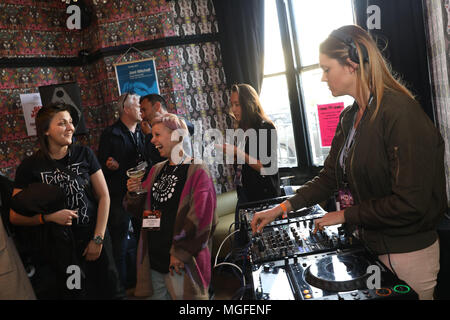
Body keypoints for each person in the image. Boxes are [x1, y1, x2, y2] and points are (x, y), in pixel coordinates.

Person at [251, 25, 447, 300]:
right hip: (368, 246)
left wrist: (344, 215)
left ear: (352, 64)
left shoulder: (400, 113)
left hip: (408, 254)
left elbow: (411, 203)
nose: (322, 77)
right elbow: (329, 176)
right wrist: (282, 207)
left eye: (326, 68)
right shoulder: (348, 118)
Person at [10, 103, 124, 299]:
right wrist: (49, 218)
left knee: (109, 292)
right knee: (77, 294)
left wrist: (98, 239)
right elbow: (15, 216)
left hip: (95, 237)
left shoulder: (85, 154)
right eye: (62, 123)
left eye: (71, 122)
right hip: (62, 250)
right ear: (45, 130)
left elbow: (104, 196)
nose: (71, 127)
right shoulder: (30, 166)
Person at [125, 113, 217, 300]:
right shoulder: (156, 169)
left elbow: (202, 218)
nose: (152, 141)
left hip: (181, 262)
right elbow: (138, 210)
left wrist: (180, 252)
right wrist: (134, 193)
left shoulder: (197, 170)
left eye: (157, 135)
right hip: (153, 261)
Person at [97, 92, 152, 290]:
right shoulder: (110, 133)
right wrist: (109, 164)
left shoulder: (145, 131)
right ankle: (121, 289)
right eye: (139, 106)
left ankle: (145, 282)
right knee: (119, 244)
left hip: (144, 195)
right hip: (119, 197)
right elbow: (100, 165)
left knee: (147, 239)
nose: (142, 111)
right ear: (126, 109)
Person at [218, 84, 280, 245]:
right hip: (244, 193)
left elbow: (266, 167)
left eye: (237, 104)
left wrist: (239, 153)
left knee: (265, 245)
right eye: (232, 104)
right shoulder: (240, 129)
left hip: (263, 197)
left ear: (249, 103)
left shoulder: (266, 127)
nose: (234, 108)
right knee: (243, 245)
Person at [140, 93, 194, 161]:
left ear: (157, 106)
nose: (142, 116)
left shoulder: (178, 124)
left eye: (144, 110)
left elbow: (157, 157)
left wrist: (148, 134)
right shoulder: (146, 128)